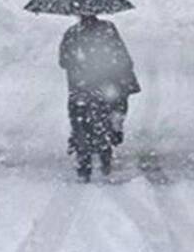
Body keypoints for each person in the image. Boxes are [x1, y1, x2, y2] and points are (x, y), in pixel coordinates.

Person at [59, 13, 140, 182]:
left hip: (81, 87)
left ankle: (83, 160)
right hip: (105, 85)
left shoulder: (72, 33)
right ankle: (106, 151)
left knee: (79, 121)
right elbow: (121, 56)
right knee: (107, 116)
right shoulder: (108, 30)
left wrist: (79, 66)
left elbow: (63, 61)